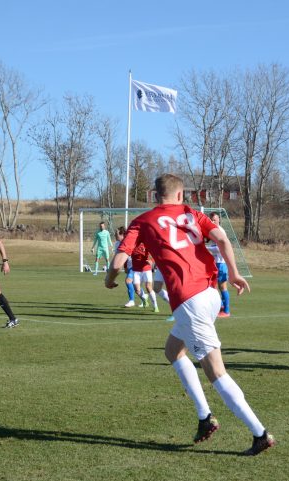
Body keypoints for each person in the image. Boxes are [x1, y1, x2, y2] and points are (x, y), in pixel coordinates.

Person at [105, 173, 274, 455]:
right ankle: (204, 417)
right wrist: (233, 272)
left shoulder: (142, 221)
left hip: (189, 300)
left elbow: (120, 259)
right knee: (173, 351)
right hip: (209, 294)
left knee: (215, 371)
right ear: (182, 195)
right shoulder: (192, 213)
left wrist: (109, 279)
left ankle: (260, 434)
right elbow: (222, 239)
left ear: (153, 196)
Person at [207, 212, 231, 317]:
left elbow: (219, 248)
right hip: (216, 263)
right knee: (212, 286)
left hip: (221, 263)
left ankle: (226, 311)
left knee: (222, 287)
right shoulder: (213, 231)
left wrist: (205, 248)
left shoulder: (220, 231)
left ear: (219, 220)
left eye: (214, 220)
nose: (212, 221)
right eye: (211, 219)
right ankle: (220, 306)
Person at [130, 241, 160, 313]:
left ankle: (155, 306)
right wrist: (125, 265)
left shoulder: (146, 243)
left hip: (146, 269)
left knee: (148, 287)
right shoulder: (132, 244)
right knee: (137, 290)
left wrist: (151, 261)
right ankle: (144, 298)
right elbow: (126, 254)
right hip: (136, 270)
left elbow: (153, 253)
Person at [113, 227, 139, 307]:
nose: (115, 235)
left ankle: (132, 301)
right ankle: (144, 297)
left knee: (128, 281)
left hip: (135, 265)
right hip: (129, 265)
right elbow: (118, 256)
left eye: (116, 234)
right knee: (135, 286)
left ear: (122, 235)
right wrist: (124, 266)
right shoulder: (117, 244)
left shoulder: (129, 242)